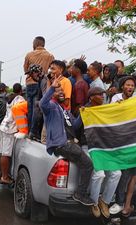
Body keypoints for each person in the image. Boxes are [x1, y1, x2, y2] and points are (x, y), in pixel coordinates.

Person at [40, 75, 94, 206]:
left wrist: (82, 113)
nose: (61, 93)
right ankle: (80, 194)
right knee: (88, 164)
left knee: (85, 163)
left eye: (62, 91)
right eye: (58, 91)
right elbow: (42, 103)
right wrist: (52, 88)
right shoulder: (51, 107)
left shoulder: (65, 110)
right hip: (61, 144)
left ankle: (82, 191)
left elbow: (74, 125)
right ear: (53, 94)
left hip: (69, 143)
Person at [76, 87, 121, 218]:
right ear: (91, 97)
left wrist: (118, 108)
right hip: (89, 147)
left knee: (117, 173)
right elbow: (74, 127)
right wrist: (81, 115)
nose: (102, 97)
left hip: (103, 147)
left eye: (103, 95)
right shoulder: (85, 109)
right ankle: (94, 201)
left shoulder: (104, 109)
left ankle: (104, 201)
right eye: (99, 95)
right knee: (100, 174)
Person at [109, 76, 136, 217]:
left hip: (133, 142)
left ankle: (123, 203)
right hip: (119, 143)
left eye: (132, 85)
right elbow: (110, 115)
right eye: (128, 85)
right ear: (123, 86)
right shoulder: (116, 98)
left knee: (131, 176)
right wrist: (118, 106)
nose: (130, 87)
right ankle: (118, 201)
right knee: (122, 174)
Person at [24, 36, 54, 131]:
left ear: (36, 44)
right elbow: (53, 69)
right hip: (42, 84)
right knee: (38, 108)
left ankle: (30, 131)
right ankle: (36, 131)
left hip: (30, 83)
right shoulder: (50, 56)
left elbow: (25, 69)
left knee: (30, 108)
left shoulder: (29, 55)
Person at [0, 84, 25, 184]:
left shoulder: (10, 98)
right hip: (9, 129)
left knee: (3, 152)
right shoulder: (19, 99)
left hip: (4, 126)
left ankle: (5, 175)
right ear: (21, 91)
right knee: (6, 153)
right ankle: (4, 177)